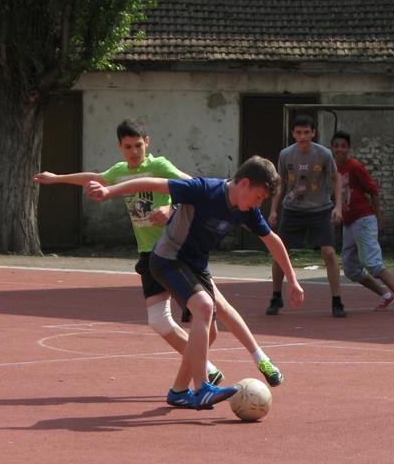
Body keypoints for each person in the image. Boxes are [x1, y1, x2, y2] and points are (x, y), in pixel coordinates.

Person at [34, 119, 284, 387]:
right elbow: (94, 178)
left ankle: (254, 360)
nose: (134, 151)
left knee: (215, 310)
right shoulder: (119, 171)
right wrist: (57, 179)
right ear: (120, 147)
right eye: (128, 147)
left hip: (177, 252)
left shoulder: (159, 166)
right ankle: (204, 369)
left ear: (147, 143)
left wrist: (171, 209)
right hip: (150, 254)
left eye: (138, 145)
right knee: (159, 320)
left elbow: (194, 188)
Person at [87, 156, 303, 410]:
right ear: (244, 183)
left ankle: (179, 391)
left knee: (210, 331)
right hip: (169, 259)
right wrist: (109, 191)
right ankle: (202, 388)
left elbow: (272, 240)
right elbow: (151, 183)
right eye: (259, 197)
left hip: (196, 266)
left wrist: (293, 279)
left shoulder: (247, 211)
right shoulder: (204, 189)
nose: (259, 203)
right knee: (204, 306)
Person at [266, 114, 345, 318]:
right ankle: (276, 296)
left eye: (306, 132)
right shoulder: (285, 154)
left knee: (329, 252)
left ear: (313, 133)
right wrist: (273, 210)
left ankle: (337, 301)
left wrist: (338, 207)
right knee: (281, 252)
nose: (303, 136)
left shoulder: (324, 154)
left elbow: (336, 179)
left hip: (320, 209)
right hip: (292, 209)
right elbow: (280, 182)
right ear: (293, 133)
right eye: (299, 132)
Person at [331, 130, 394, 314]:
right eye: (336, 146)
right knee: (351, 269)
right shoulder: (332, 170)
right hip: (348, 223)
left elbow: (373, 191)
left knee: (372, 261)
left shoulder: (355, 166)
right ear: (332, 148)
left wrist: (378, 217)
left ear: (349, 148)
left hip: (363, 219)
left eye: (343, 146)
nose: (339, 150)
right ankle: (385, 295)